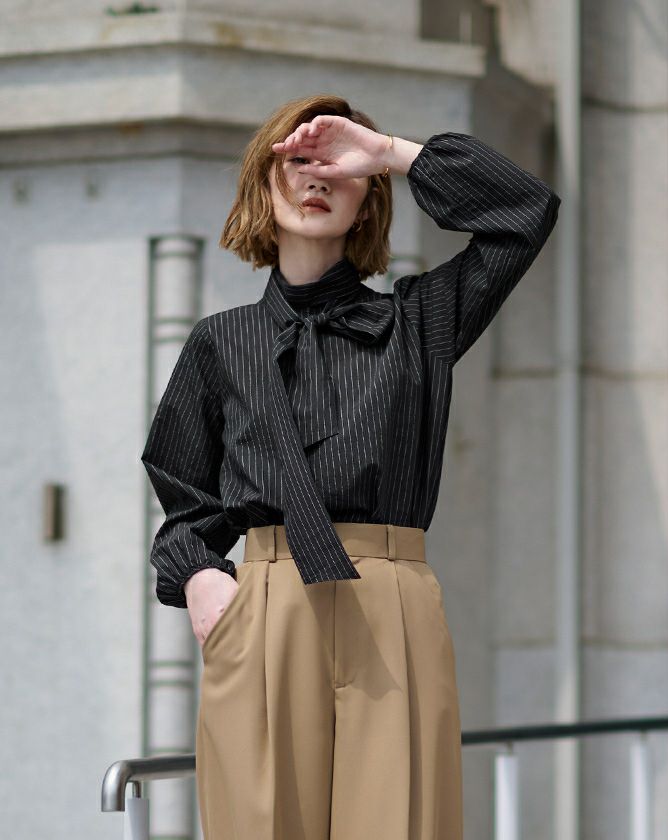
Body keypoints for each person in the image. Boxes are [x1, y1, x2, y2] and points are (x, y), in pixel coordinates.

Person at [141, 93, 561, 840]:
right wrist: (200, 577)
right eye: (298, 160)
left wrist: (390, 152)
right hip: (265, 602)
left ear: (368, 201)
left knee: (399, 823)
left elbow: (524, 213)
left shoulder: (417, 324)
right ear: (262, 185)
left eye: (337, 165)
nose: (318, 176)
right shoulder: (221, 342)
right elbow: (181, 489)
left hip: (388, 601)